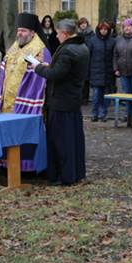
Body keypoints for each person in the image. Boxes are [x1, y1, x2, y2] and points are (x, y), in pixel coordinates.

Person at [0, 13, 52, 171]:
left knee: (23, 133)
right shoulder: (13, 48)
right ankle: (6, 164)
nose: (20, 33)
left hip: (25, 103)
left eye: (24, 31)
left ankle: (26, 167)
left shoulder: (40, 51)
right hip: (7, 103)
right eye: (18, 30)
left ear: (33, 33)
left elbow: (40, 79)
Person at [34, 18, 88, 185]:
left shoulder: (67, 51)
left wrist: (37, 67)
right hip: (72, 99)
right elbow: (64, 70)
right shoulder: (82, 47)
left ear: (65, 33)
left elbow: (56, 75)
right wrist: (48, 65)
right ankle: (75, 172)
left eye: (58, 33)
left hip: (61, 101)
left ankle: (63, 176)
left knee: (60, 141)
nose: (56, 36)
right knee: (73, 140)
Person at [86, 21, 115, 122]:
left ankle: (103, 114)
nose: (103, 31)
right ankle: (94, 114)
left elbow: (114, 57)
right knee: (96, 95)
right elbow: (88, 57)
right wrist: (88, 73)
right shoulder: (92, 41)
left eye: (106, 29)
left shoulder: (112, 41)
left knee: (106, 96)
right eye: (102, 29)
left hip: (108, 72)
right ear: (98, 30)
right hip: (95, 72)